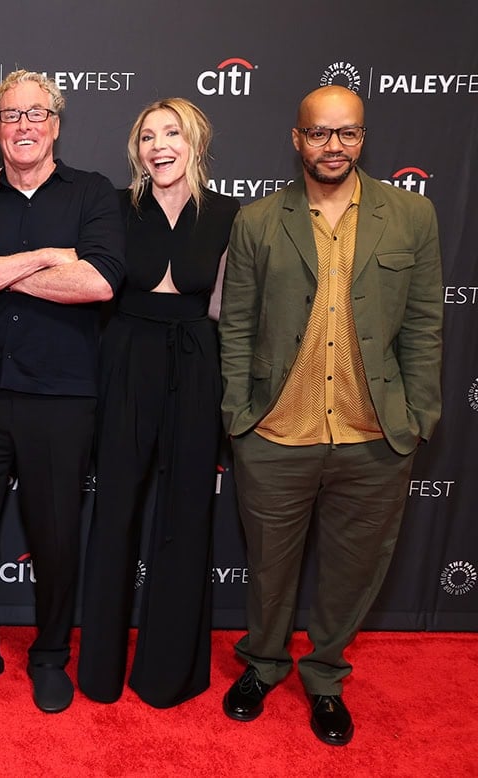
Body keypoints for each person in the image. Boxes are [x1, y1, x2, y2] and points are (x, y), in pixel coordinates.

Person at [218, 85, 442, 746]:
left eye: (347, 133)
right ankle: (263, 662)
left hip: (374, 434)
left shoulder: (413, 216)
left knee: (353, 570)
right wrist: (239, 416)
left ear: (363, 138)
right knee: (269, 569)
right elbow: (236, 326)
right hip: (275, 432)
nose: (334, 145)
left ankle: (324, 676)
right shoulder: (258, 221)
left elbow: (425, 324)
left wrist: (418, 416)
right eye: (319, 133)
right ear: (298, 138)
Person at [0, 70, 125, 714]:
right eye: (11, 115)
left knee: (56, 534)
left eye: (36, 114)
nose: (24, 126)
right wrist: (48, 257)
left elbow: (99, 282)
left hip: (62, 396)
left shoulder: (93, 193)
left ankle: (49, 655)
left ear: (56, 124)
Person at [76, 98, 239, 708]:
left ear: (196, 141)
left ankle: (169, 672)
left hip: (197, 361)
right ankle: (99, 671)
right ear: (136, 149)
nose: (159, 146)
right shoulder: (114, 207)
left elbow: (228, 305)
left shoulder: (229, 214)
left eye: (172, 133)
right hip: (125, 356)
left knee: (187, 510)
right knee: (115, 509)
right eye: (148, 136)